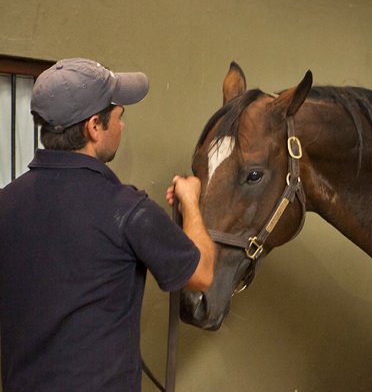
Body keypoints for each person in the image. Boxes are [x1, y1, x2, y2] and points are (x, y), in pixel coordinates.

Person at [0, 58, 215, 391]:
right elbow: (201, 275)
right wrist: (191, 204)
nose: (122, 126)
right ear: (93, 127)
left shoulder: (6, 203)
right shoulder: (127, 210)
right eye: (118, 116)